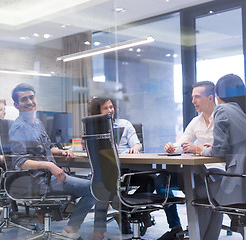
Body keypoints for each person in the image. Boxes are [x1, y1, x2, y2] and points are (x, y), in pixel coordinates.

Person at [9, 83, 106, 240]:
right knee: (94, 188)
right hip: (37, 180)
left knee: (94, 184)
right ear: (16, 105)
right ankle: (71, 229)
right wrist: (49, 165)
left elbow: (48, 147)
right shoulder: (19, 127)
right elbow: (20, 162)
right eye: (24, 99)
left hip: (48, 177)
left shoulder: (37, 123)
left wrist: (61, 151)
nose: (29, 102)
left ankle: (72, 227)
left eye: (31, 97)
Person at [196, 74, 246, 239]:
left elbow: (218, 151)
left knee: (196, 190)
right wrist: (212, 147)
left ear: (218, 95)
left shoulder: (223, 109)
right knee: (209, 190)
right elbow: (237, 144)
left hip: (237, 185)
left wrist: (201, 151)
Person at [157, 81, 225, 240]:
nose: (193, 101)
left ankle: (200, 233)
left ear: (210, 98)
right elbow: (183, 142)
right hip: (197, 171)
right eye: (192, 97)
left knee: (199, 189)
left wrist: (198, 149)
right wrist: (172, 147)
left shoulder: (223, 118)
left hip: (218, 171)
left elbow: (223, 148)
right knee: (162, 181)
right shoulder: (196, 121)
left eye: (197, 97)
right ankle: (176, 227)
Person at [88, 98, 153, 235]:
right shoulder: (93, 128)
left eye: (111, 107)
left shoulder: (124, 124)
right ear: (98, 111)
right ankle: (100, 231)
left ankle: (135, 213)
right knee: (104, 185)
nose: (110, 110)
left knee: (149, 180)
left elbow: (137, 144)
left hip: (126, 169)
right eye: (106, 108)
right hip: (106, 170)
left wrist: (135, 148)